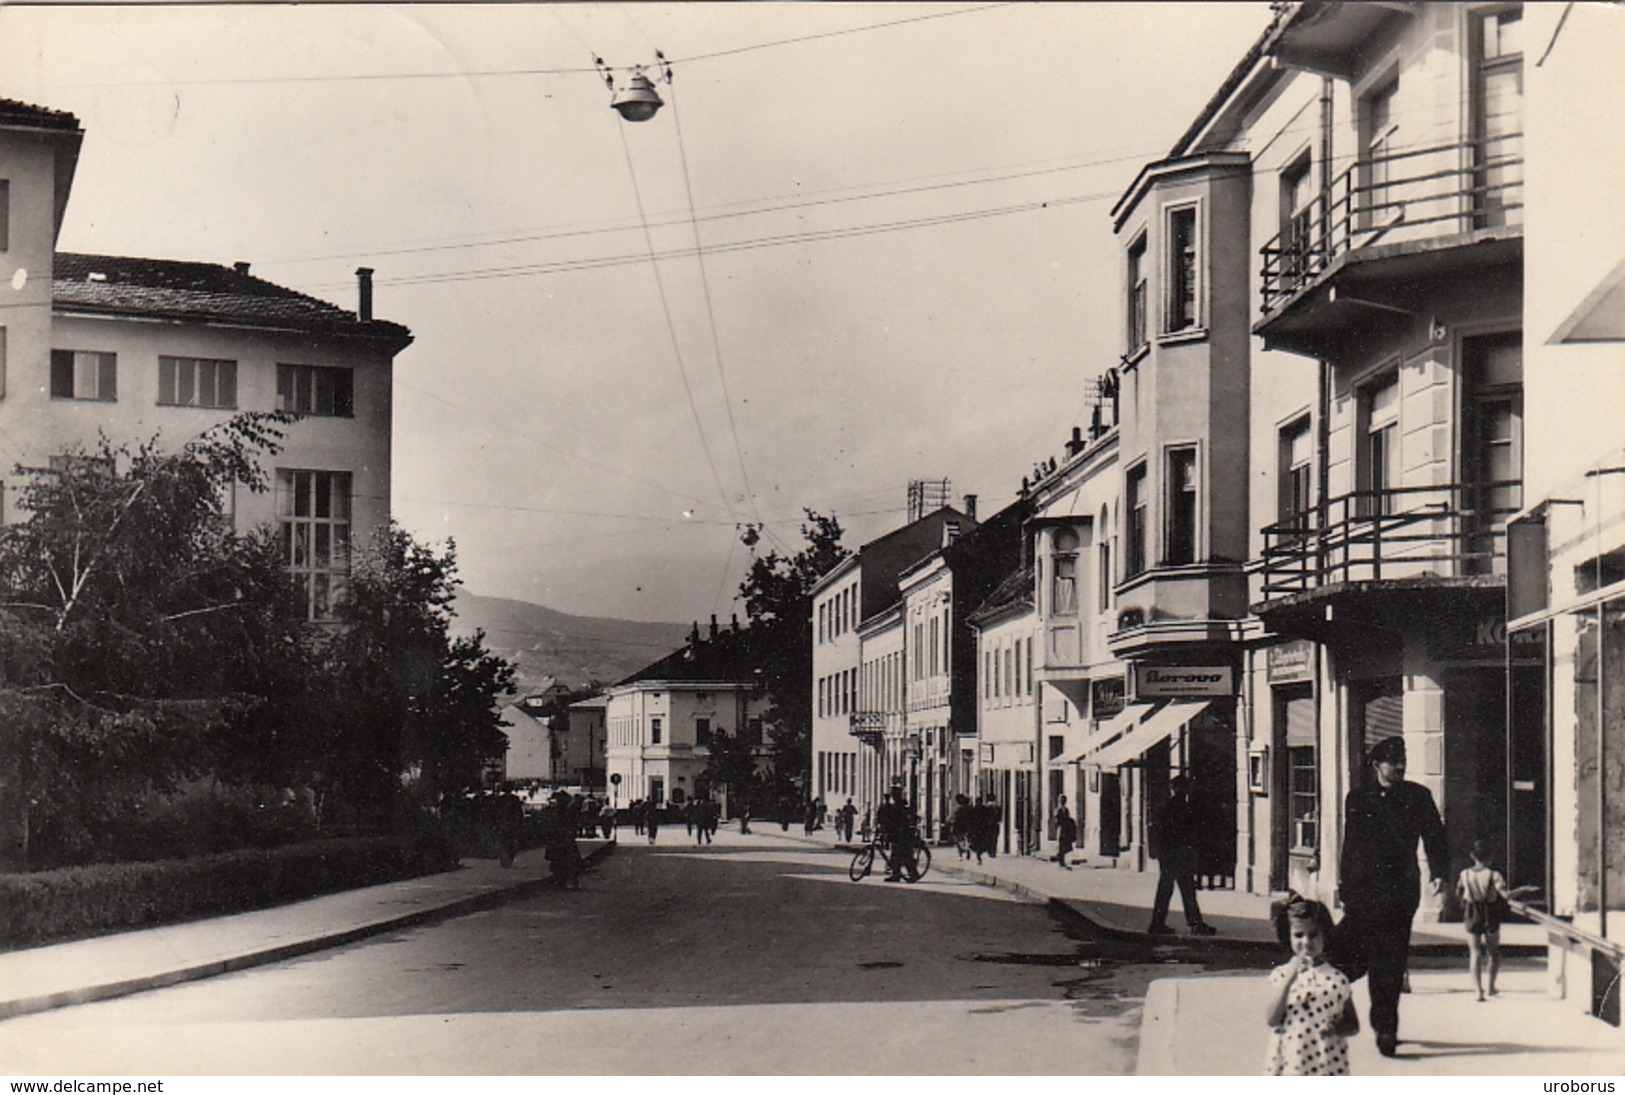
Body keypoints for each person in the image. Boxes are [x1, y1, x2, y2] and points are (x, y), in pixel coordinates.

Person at [1332, 736, 1447, 1057]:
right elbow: (1350, 846)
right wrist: (1345, 888)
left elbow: (1435, 836)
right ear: (1376, 765)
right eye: (1393, 761)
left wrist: (1440, 872)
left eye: (1403, 761)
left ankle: (1386, 1028)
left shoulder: (1418, 797)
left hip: (1400, 891)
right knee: (1340, 954)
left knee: (1389, 961)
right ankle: (1337, 1005)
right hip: (1364, 892)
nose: (1399, 767)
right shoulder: (1358, 798)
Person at [1264, 895, 1358, 1076]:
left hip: (1326, 1063)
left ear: (1325, 935)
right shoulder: (1282, 975)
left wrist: (1336, 1027)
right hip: (1289, 1062)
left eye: (1314, 935)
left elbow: (1353, 1024)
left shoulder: (1337, 980)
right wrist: (1288, 980)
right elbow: (1272, 1019)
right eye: (1299, 935)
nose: (1306, 942)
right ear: (1288, 936)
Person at [1147, 776, 1218, 936]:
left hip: (1169, 854)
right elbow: (1186, 832)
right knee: (1182, 889)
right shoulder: (1181, 807)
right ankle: (1193, 924)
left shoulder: (1167, 806)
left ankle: (1160, 923)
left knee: (1172, 889)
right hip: (1178, 854)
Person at [1457, 838, 1525, 1002]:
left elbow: (1459, 892)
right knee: (1493, 952)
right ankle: (1491, 987)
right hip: (1490, 913)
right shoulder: (1494, 875)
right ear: (1490, 857)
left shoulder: (1464, 874)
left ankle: (1477, 991)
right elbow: (1506, 895)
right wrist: (1523, 889)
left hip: (1472, 912)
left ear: (1473, 856)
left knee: (1475, 953)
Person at [875, 787, 918, 882]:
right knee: (897, 855)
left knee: (904, 855)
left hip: (904, 834)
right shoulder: (895, 806)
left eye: (894, 794)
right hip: (898, 834)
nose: (893, 796)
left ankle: (912, 874)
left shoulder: (900, 806)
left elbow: (901, 821)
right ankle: (897, 874)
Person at [543, 791, 582, 889]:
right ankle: (569, 880)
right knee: (570, 861)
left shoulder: (554, 812)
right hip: (565, 840)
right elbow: (574, 824)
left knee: (560, 861)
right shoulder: (569, 811)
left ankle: (561, 881)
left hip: (558, 840)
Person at [1055, 803, 1077, 870]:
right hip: (1061, 829)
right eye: (1062, 800)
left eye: (1064, 800)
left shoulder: (1066, 809)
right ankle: (1061, 861)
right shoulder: (1058, 810)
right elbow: (1057, 820)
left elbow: (1068, 817)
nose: (1063, 801)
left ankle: (1061, 858)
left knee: (1065, 846)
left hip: (1065, 829)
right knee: (1061, 845)